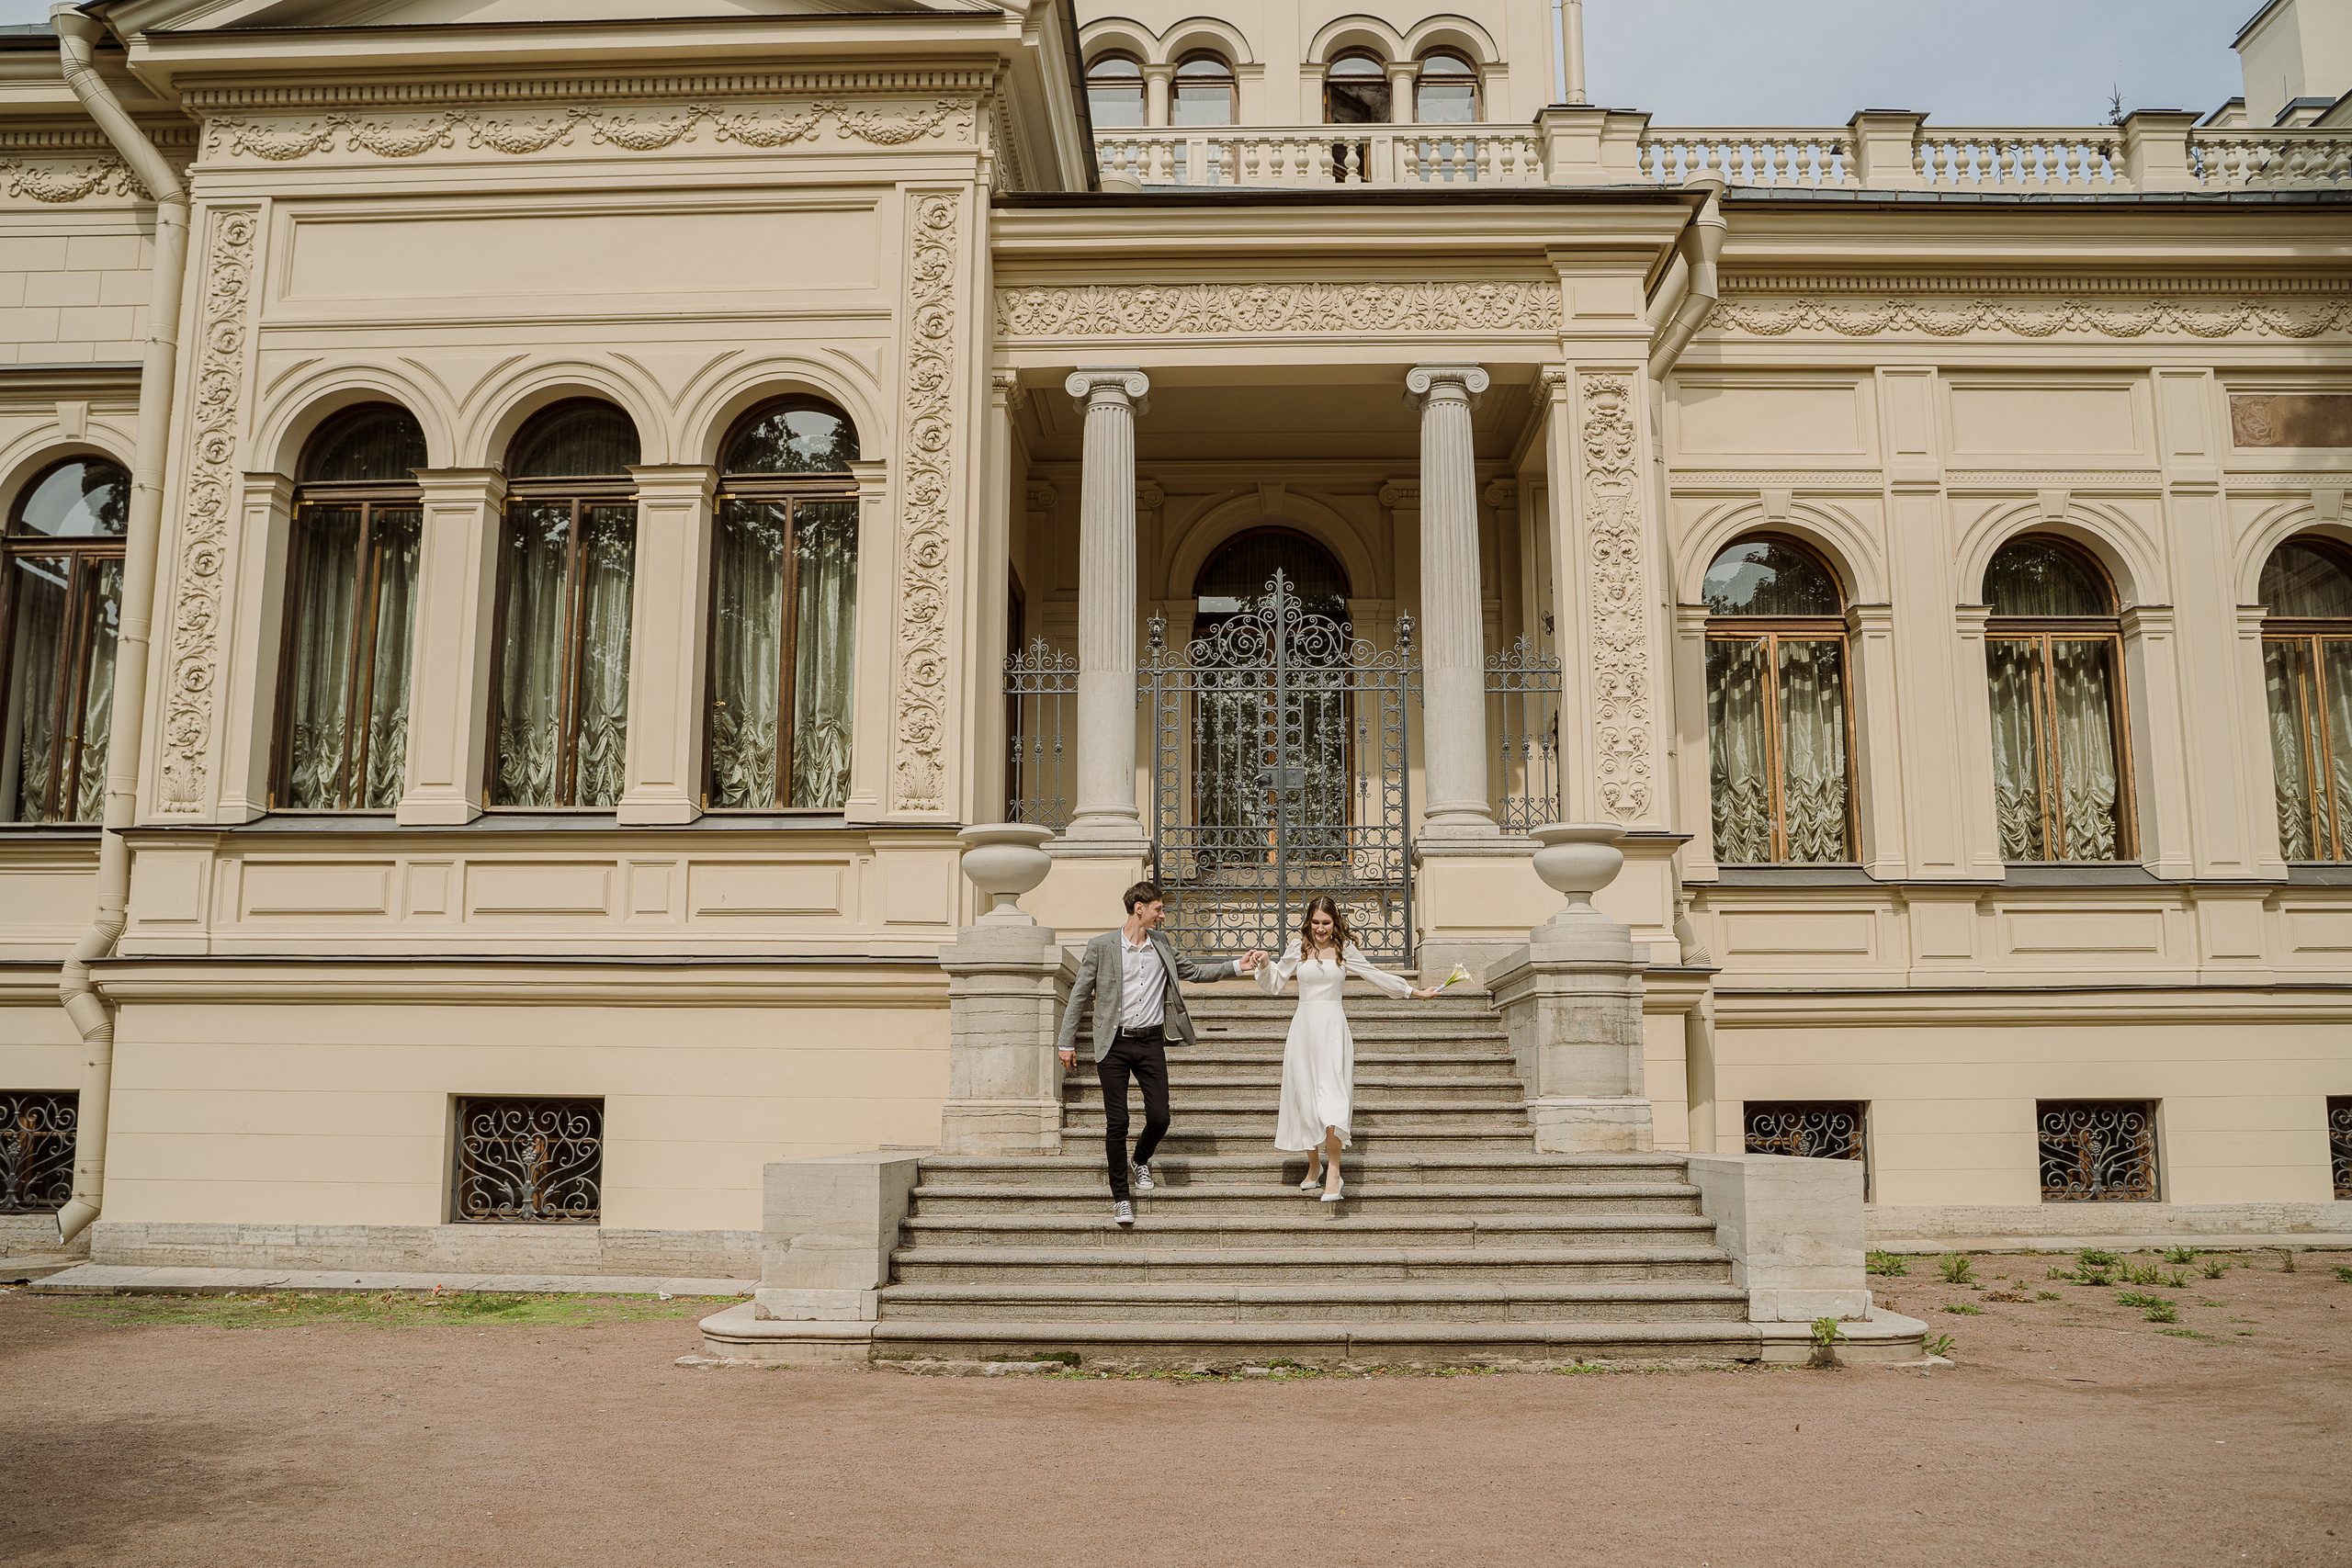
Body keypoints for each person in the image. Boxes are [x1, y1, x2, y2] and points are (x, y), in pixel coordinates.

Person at [1057, 882, 1264, 1227]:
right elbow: (1079, 995)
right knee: (1117, 1122)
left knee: (1160, 1117)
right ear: (1139, 907)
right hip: (1114, 1044)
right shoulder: (1101, 947)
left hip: (1151, 1042)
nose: (1163, 914)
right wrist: (1066, 1043)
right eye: (1158, 908)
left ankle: (1141, 1159)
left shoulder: (1162, 944)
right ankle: (1121, 1198)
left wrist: (1237, 966)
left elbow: (1194, 973)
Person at [1256, 895, 1440, 1201]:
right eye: (1315, 922)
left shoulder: (1345, 949)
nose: (1320, 929)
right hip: (1303, 1030)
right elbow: (1274, 983)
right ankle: (1314, 1165)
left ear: (1335, 922)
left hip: (1333, 1031)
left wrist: (1414, 992)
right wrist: (1264, 964)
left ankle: (1335, 1173)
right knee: (1305, 1100)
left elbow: (1376, 975)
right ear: (1308, 921)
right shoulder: (1297, 947)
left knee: (1333, 1102)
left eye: (1325, 923)